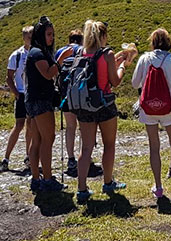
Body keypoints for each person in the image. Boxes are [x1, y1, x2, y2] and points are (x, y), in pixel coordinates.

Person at [74, 20, 130, 203]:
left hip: (84, 105)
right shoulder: (107, 54)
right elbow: (115, 81)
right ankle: (107, 182)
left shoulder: (82, 52)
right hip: (104, 104)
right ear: (103, 36)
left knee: (86, 147)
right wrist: (122, 66)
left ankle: (81, 189)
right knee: (109, 144)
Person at [131, 28, 171, 199]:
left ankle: (158, 187)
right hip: (169, 109)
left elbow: (135, 84)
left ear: (152, 42)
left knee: (154, 147)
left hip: (148, 108)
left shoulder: (144, 59)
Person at [24, 16, 65, 192]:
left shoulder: (34, 52)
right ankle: (47, 179)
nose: (51, 38)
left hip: (32, 101)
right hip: (41, 101)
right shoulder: (38, 53)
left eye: (53, 34)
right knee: (48, 139)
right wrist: (61, 60)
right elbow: (48, 74)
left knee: (37, 140)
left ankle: (36, 178)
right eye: (49, 34)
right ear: (41, 35)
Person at [55, 28, 95, 178]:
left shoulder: (60, 52)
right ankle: (84, 157)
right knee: (83, 127)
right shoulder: (83, 50)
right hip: (80, 94)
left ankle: (71, 158)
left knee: (70, 127)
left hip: (65, 94)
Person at [0, 26, 33, 173]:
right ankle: (6, 158)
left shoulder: (38, 53)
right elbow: (9, 77)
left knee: (31, 125)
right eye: (28, 37)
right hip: (22, 94)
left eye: (33, 37)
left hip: (33, 94)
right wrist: (17, 93)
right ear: (24, 38)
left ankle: (29, 157)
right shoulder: (16, 55)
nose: (31, 39)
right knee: (19, 125)